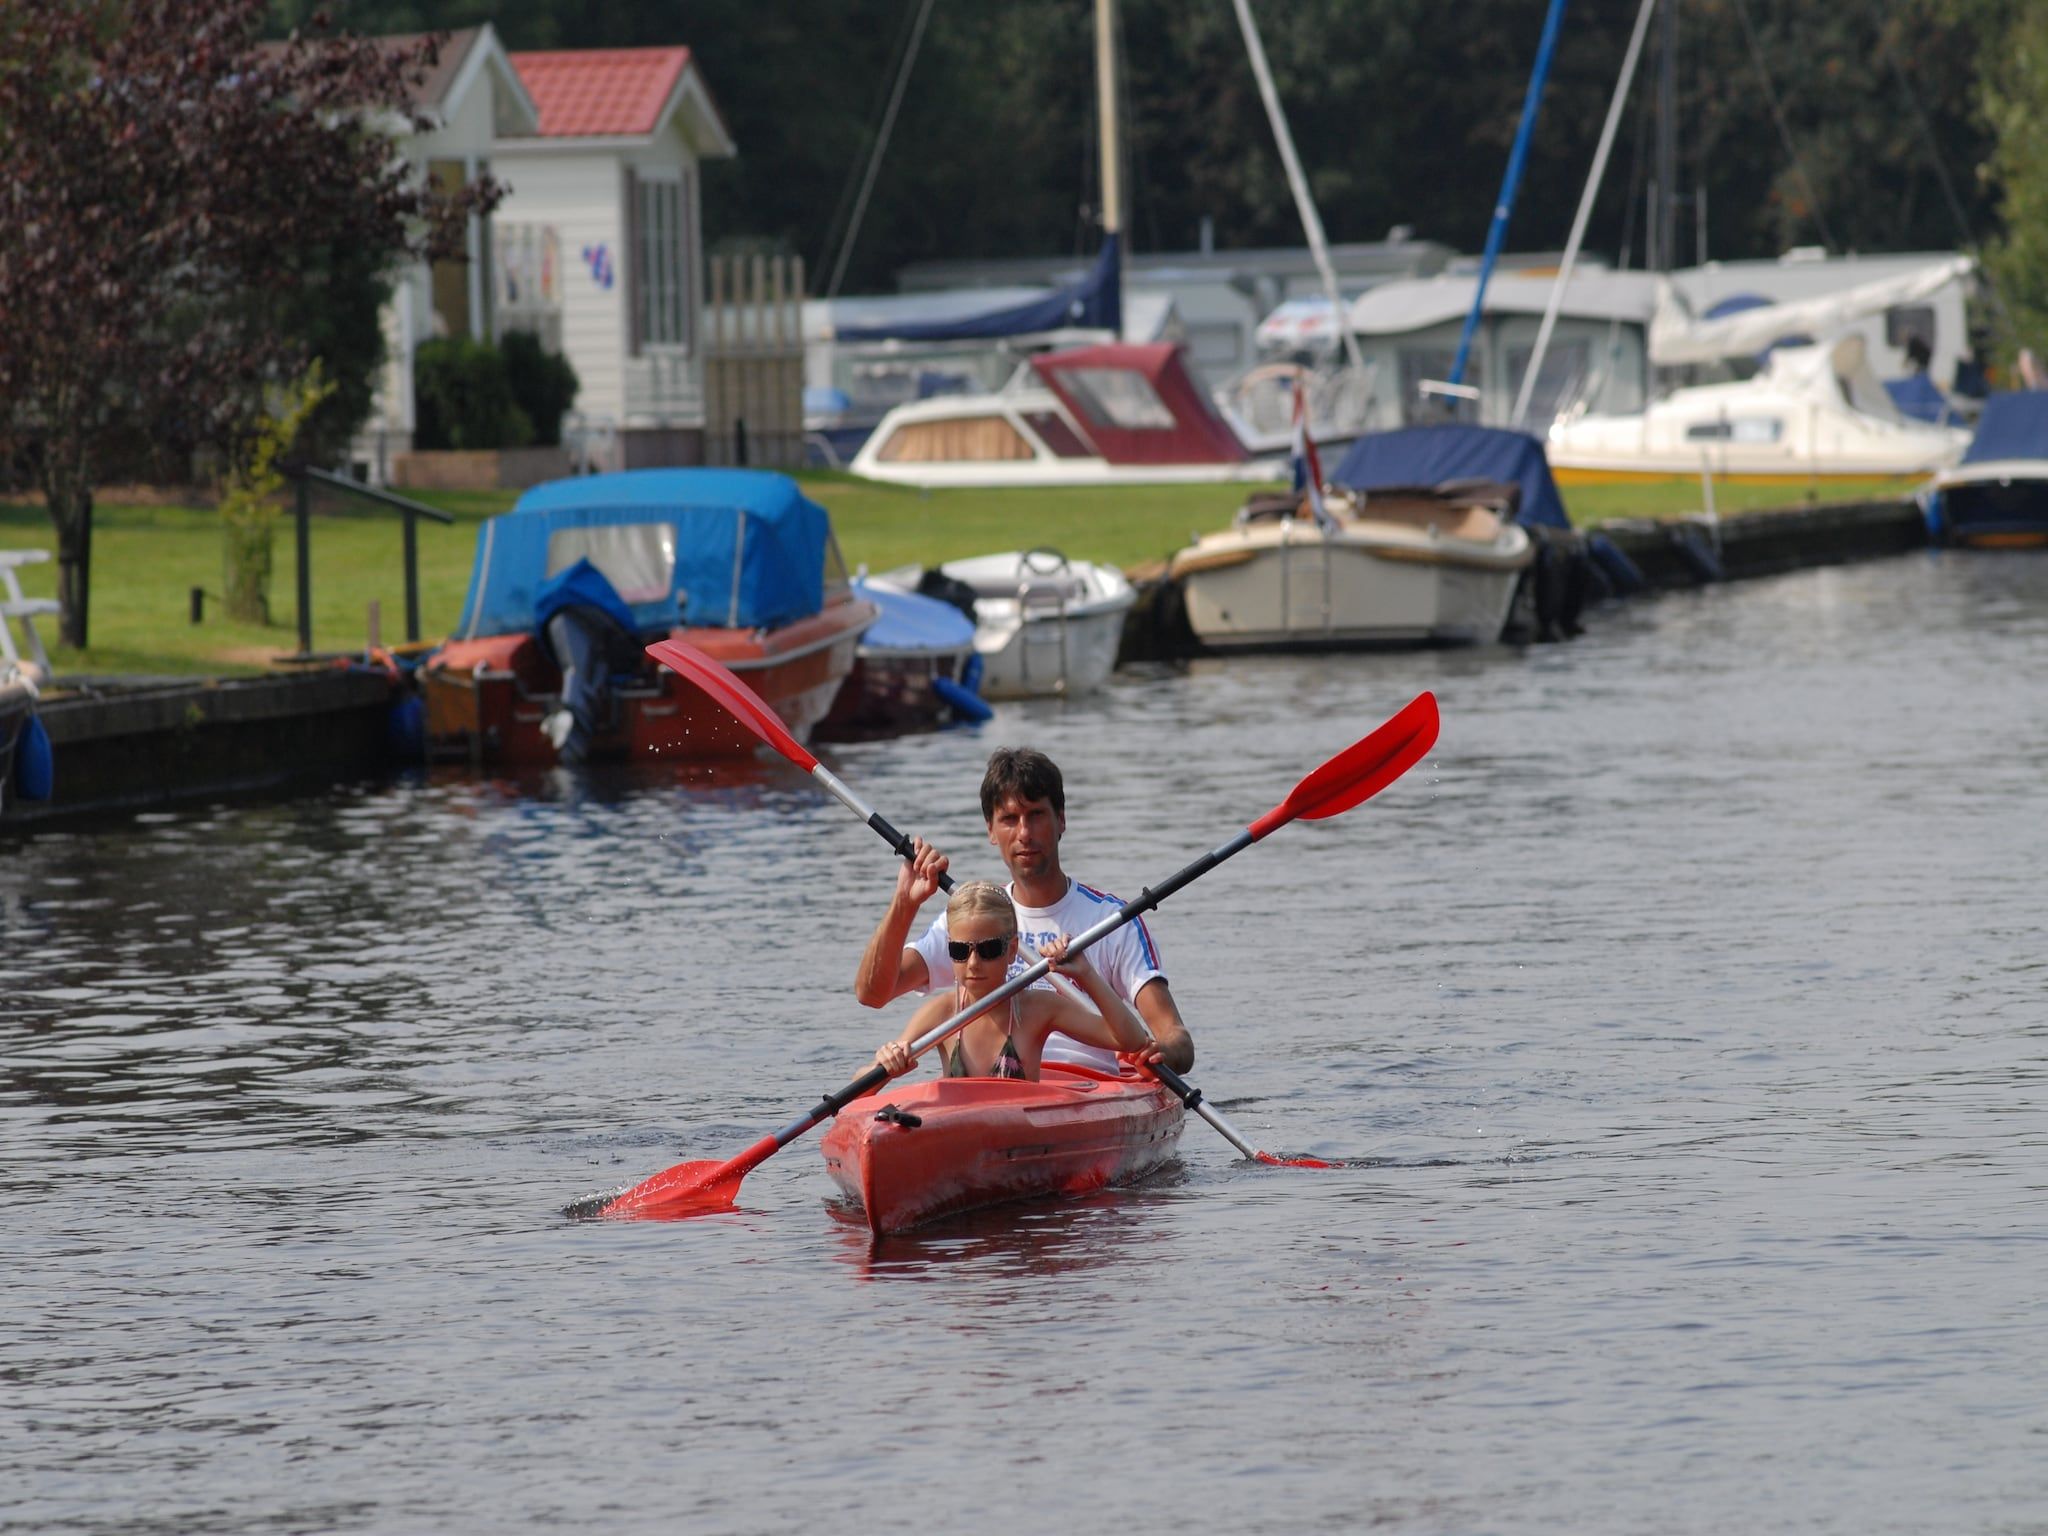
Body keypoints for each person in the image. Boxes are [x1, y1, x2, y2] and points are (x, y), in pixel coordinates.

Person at [854, 746, 1194, 1074]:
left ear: (1061, 820)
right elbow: (873, 994)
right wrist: (904, 903)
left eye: (1036, 815)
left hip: (1089, 1089)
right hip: (997, 1087)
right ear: (990, 830)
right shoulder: (972, 919)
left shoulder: (1111, 921)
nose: (1024, 834)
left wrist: (1160, 1053)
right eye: (1009, 819)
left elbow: (1174, 1037)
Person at [872, 882, 1150, 1081]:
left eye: (989, 949)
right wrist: (887, 1062)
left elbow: (1130, 1040)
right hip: (965, 1141)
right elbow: (861, 1084)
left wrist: (1085, 975)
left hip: (1022, 1140)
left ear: (1012, 950)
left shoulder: (1038, 1008)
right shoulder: (941, 1013)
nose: (973, 963)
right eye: (960, 951)